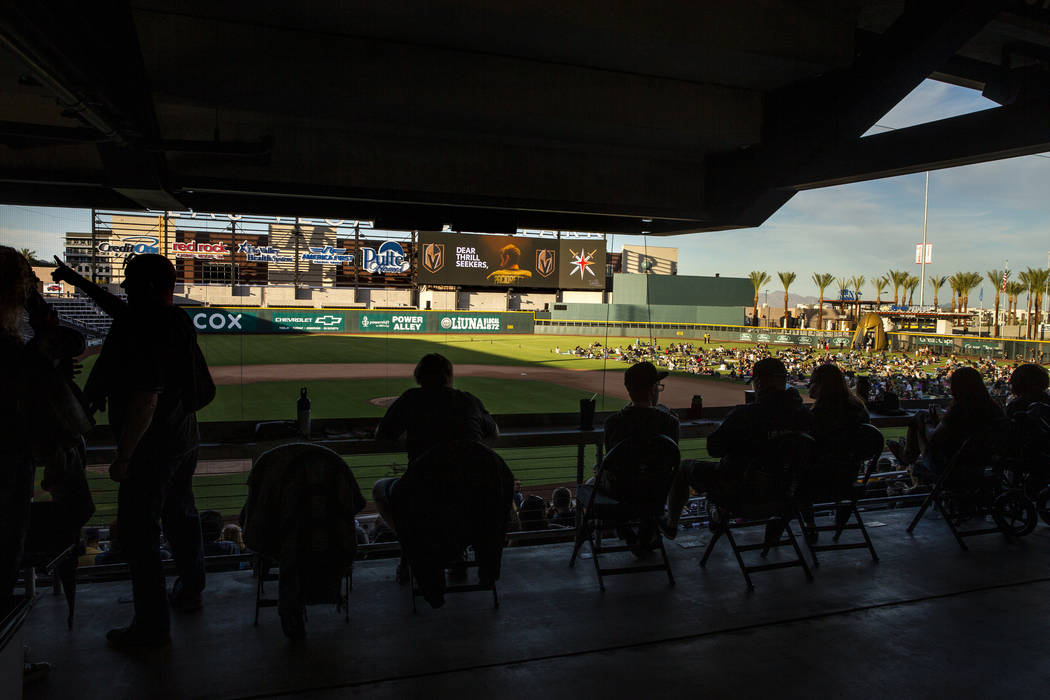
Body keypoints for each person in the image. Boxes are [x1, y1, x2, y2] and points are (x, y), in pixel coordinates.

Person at [55, 254, 213, 650]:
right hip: (184, 439)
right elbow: (119, 309)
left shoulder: (145, 326)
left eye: (128, 281)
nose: (122, 287)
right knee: (182, 514)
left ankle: (152, 627)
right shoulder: (171, 319)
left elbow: (145, 399)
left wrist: (124, 456)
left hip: (149, 448)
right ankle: (191, 588)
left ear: (144, 288)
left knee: (140, 535)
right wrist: (78, 280)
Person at [372, 354, 498, 578]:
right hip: (470, 494)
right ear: (449, 376)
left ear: (419, 377)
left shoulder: (411, 398)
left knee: (380, 490)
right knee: (453, 506)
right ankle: (457, 551)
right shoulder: (468, 399)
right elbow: (494, 433)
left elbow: (382, 436)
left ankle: (414, 548)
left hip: (423, 495)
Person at [661, 357, 812, 536]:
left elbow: (714, 449)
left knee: (684, 468)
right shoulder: (805, 414)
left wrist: (726, 427)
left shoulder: (745, 414)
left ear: (761, 382)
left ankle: (672, 525)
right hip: (787, 493)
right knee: (742, 471)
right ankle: (719, 516)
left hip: (743, 494)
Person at [888, 366, 1005, 485]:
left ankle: (907, 456)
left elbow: (934, 437)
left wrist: (929, 423)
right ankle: (906, 455)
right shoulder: (994, 409)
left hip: (949, 466)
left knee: (920, 417)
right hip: (979, 464)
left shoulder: (958, 410)